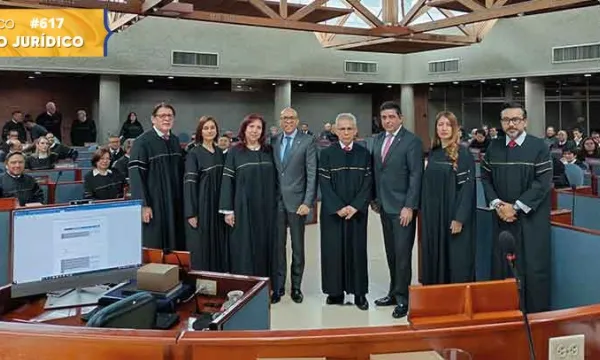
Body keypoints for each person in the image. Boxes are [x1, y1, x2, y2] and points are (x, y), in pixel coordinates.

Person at [480, 102, 552, 313]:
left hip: (531, 222)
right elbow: (485, 178)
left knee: (532, 269)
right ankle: (503, 316)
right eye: (506, 120)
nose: (511, 124)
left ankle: (533, 319)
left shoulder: (539, 147)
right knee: (502, 267)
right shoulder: (494, 147)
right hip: (501, 220)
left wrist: (516, 207)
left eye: (516, 119)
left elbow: (542, 183)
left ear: (525, 121)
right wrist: (498, 204)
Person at [371, 101, 423, 319]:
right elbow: (376, 171)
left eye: (392, 117)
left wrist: (409, 206)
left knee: (402, 255)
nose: (388, 121)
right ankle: (393, 292)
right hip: (384, 206)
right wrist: (375, 199)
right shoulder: (378, 139)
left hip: (403, 209)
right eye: (384, 118)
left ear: (400, 118)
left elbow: (415, 175)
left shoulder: (411, 141)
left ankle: (403, 299)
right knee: (391, 253)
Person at [218, 114, 278, 299]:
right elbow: (227, 181)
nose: (254, 130)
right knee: (244, 247)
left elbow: (276, 180)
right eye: (251, 127)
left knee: (266, 246)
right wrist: (228, 210)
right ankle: (246, 288)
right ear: (244, 129)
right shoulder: (235, 152)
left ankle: (267, 287)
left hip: (267, 209)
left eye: (258, 127)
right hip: (243, 208)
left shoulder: (269, 150)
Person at [318, 113, 371, 311]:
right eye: (342, 128)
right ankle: (335, 292)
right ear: (335, 130)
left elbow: (368, 182)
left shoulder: (364, 153)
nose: (346, 132)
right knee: (333, 252)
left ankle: (359, 293)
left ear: (356, 131)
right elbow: (324, 183)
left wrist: (355, 206)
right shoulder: (326, 153)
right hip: (333, 213)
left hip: (357, 213)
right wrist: (338, 207)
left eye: (350, 128)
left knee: (357, 252)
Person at [420, 111, 476, 285]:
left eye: (448, 125)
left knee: (455, 260)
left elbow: (468, 189)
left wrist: (459, 218)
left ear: (455, 128)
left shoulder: (463, 153)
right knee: (434, 256)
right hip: (433, 217)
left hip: (452, 215)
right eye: (440, 125)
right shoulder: (434, 152)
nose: (443, 128)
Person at [271, 108, 317, 304]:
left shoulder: (307, 141)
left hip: (298, 203)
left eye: (291, 118)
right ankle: (279, 286)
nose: (287, 121)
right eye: (284, 118)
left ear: (297, 120)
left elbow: (312, 173)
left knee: (297, 247)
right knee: (278, 247)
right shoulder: (273, 141)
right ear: (280, 121)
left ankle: (296, 287)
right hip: (276, 202)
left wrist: (308, 202)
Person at [128, 103, 185, 250]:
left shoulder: (174, 141)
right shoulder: (142, 142)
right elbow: (136, 176)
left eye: (170, 116)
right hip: (154, 202)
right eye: (162, 116)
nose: (166, 119)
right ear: (153, 119)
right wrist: (143, 205)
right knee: (155, 242)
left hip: (174, 201)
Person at [184, 116, 229, 272]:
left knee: (219, 243)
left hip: (218, 206)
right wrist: (191, 213)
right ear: (200, 132)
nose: (210, 131)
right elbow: (189, 184)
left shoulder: (220, 152)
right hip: (202, 206)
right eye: (206, 128)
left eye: (212, 128)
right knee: (203, 246)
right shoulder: (194, 154)